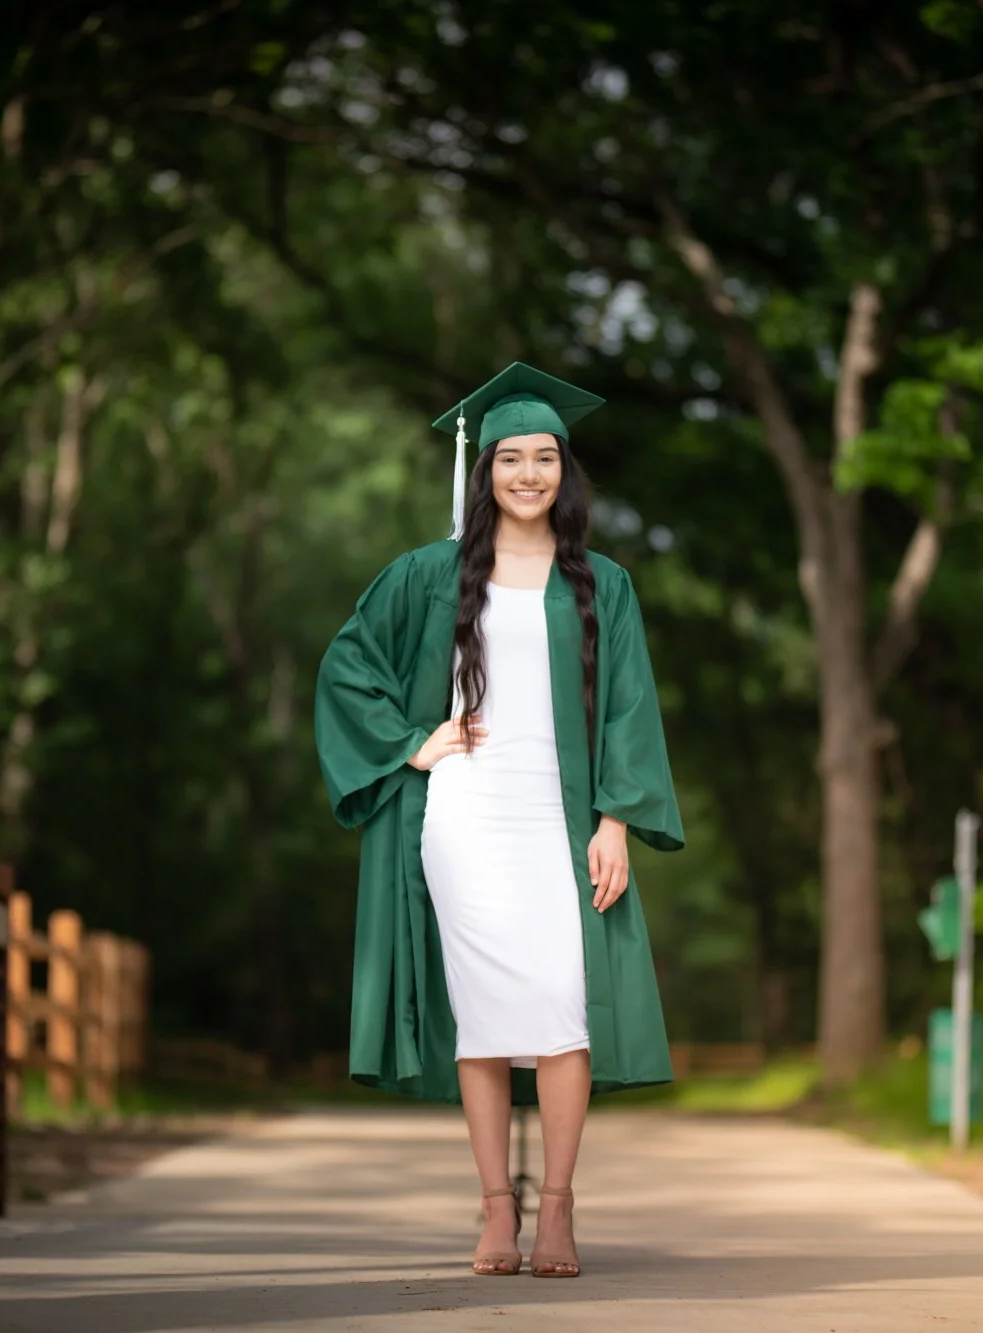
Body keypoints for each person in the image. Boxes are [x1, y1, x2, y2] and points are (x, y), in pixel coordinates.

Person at [314, 362, 684, 1279]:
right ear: (483, 473)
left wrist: (616, 821)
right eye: (509, 458)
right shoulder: (429, 574)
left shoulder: (604, 584)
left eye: (544, 457)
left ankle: (556, 1206)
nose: (527, 473)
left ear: (566, 470)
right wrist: (412, 742)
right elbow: (344, 663)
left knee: (563, 1008)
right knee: (482, 1019)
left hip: (559, 821)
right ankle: (494, 1209)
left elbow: (630, 706)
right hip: (467, 817)